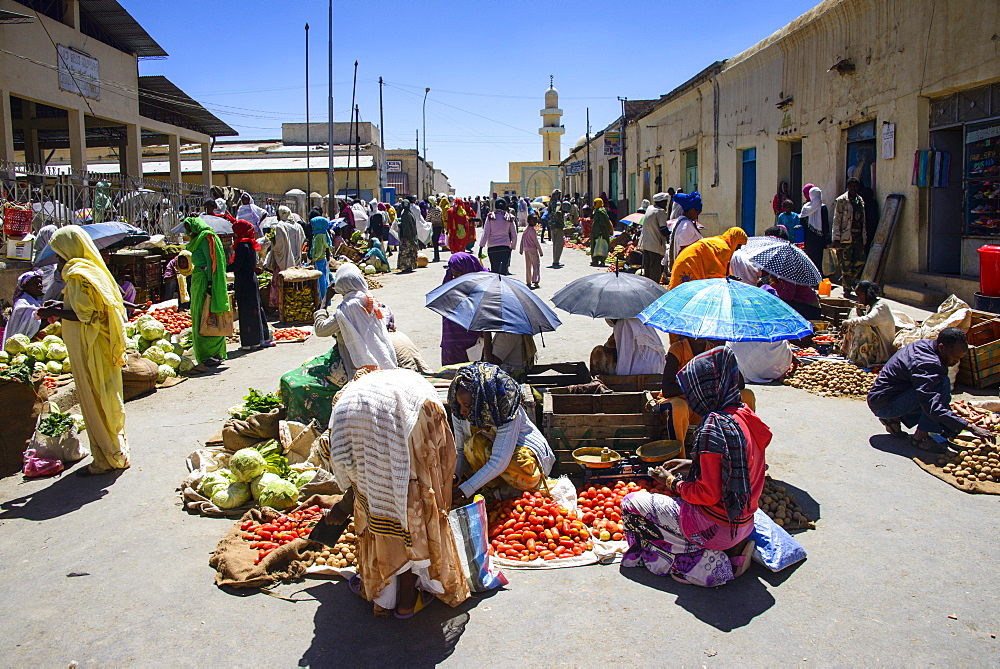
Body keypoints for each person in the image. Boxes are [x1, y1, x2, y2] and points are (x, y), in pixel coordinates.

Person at [326, 369, 470, 618]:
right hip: (414, 427)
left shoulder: (346, 404)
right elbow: (443, 449)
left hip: (385, 428)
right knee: (410, 512)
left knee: (382, 509)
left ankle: (386, 593)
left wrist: (348, 498)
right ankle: (407, 600)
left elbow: (342, 459)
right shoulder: (404, 383)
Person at [621, 346, 770, 587]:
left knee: (630, 504)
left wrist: (671, 482)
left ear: (706, 389)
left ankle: (701, 560)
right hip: (744, 521)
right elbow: (735, 464)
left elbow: (707, 494)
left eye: (692, 390)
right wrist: (693, 463)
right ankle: (735, 552)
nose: (690, 398)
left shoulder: (714, 427)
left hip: (715, 528)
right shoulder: (744, 415)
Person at [35, 226, 130, 475]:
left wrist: (51, 313)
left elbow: (83, 314)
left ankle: (107, 455)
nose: (58, 258)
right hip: (98, 345)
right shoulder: (92, 269)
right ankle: (115, 448)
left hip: (90, 348)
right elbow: (91, 305)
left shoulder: (77, 274)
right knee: (106, 395)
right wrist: (60, 304)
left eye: (59, 253)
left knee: (94, 397)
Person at [868, 328, 993, 452]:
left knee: (935, 392)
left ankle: (893, 419)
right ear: (941, 347)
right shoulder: (927, 363)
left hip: (886, 397)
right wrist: (970, 427)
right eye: (955, 357)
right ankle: (919, 439)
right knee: (942, 384)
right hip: (884, 405)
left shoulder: (925, 345)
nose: (956, 362)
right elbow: (932, 406)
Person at [448, 362, 555, 499]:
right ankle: (493, 489)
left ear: (482, 402)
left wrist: (464, 490)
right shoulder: (460, 411)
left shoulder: (505, 412)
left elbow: (499, 460)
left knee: (518, 463)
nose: (462, 410)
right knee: (471, 447)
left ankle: (518, 491)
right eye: (459, 404)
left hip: (523, 457)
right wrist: (455, 475)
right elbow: (460, 449)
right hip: (494, 454)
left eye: (467, 405)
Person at [657, 336, 757, 441]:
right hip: (683, 404)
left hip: (706, 406)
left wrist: (727, 357)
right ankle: (679, 454)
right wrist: (700, 386)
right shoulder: (677, 348)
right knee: (679, 406)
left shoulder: (714, 350)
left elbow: (740, 385)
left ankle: (748, 445)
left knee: (747, 394)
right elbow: (667, 390)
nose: (698, 335)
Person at [314, 263, 397, 376]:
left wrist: (324, 302)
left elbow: (321, 330)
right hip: (383, 358)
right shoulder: (369, 299)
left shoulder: (348, 308)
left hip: (358, 365)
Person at [183, 217, 230, 369]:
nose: (188, 232)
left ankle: (211, 354)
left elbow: (212, 263)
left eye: (189, 228)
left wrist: (210, 284)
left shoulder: (205, 239)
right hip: (197, 280)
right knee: (198, 314)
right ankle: (208, 354)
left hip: (204, 282)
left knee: (205, 314)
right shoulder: (196, 240)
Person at [228, 219, 272, 351]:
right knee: (254, 309)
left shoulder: (242, 246)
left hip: (244, 281)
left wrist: (221, 267)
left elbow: (237, 266)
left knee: (246, 311)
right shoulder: (249, 244)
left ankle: (249, 341)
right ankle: (257, 339)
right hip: (250, 280)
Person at [440, 253, 487, 366]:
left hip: (473, 342)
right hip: (451, 341)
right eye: (453, 274)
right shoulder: (448, 284)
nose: (455, 278)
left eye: (459, 274)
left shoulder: (483, 285)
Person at [668, 227, 748, 290]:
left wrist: (729, 276)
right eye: (739, 245)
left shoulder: (719, 242)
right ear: (735, 240)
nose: (738, 248)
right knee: (686, 295)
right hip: (689, 265)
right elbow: (716, 273)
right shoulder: (724, 248)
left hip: (685, 262)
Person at [840, 280, 897, 367]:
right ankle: (847, 352)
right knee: (855, 312)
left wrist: (847, 322)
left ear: (867, 294)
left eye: (860, 296)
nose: (859, 299)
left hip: (882, 352)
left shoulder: (880, 307)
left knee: (862, 328)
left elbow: (869, 320)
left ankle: (860, 361)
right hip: (875, 345)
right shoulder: (870, 306)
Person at [589, 318, 665, 376]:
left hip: (643, 367)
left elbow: (625, 354)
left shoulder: (623, 323)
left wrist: (620, 377)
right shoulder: (640, 319)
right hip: (657, 363)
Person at [265, 206, 306, 307]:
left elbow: (278, 245)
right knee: (293, 282)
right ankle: (293, 303)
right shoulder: (297, 226)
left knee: (280, 282)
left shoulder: (280, 226)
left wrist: (272, 243)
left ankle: (279, 305)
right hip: (296, 259)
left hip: (283, 260)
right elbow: (303, 239)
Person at [833, 177, 868, 297]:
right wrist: (836, 238)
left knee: (860, 261)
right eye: (851, 186)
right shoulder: (842, 200)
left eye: (855, 186)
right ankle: (847, 288)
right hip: (845, 236)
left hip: (858, 236)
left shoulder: (860, 200)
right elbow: (837, 220)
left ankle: (848, 280)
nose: (853, 188)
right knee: (845, 263)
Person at [3, 269, 45, 347]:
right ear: (25, 286)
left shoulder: (39, 301)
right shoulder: (22, 304)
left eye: (40, 282)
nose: (39, 285)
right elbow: (23, 326)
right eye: (35, 283)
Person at [666, 191, 705, 273]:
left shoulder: (682, 222)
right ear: (692, 210)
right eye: (697, 213)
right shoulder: (686, 226)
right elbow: (686, 250)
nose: (697, 216)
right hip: (686, 268)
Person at [479, 199, 517, 276]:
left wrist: (481, 248)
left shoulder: (490, 217)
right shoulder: (509, 217)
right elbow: (514, 235)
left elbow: (485, 233)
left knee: (494, 270)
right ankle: (502, 286)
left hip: (492, 247)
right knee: (503, 271)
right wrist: (512, 246)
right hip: (505, 247)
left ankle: (495, 287)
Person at [799, 184, 830, 277]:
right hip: (820, 238)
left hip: (809, 238)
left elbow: (802, 223)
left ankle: (811, 278)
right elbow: (825, 224)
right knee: (819, 259)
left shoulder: (805, 208)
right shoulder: (823, 207)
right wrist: (827, 239)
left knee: (811, 258)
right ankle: (819, 277)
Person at [639, 193, 671, 281]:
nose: (666, 205)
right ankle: (654, 287)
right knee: (655, 269)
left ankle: (647, 286)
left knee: (648, 268)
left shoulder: (649, 209)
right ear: (662, 202)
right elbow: (663, 229)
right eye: (665, 203)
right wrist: (672, 232)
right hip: (655, 244)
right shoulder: (660, 212)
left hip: (646, 243)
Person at [310, 215, 333, 297]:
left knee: (321, 281)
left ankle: (322, 298)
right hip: (322, 259)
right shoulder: (323, 234)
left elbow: (318, 250)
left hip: (319, 260)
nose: (312, 227)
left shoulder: (319, 236)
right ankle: (326, 298)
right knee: (324, 278)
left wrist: (314, 259)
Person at [519, 214, 542, 288]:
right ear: (529, 221)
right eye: (534, 220)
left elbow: (522, 240)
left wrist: (521, 249)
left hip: (526, 249)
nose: (535, 221)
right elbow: (536, 242)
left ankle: (528, 281)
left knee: (528, 265)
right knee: (536, 265)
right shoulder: (532, 231)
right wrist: (540, 251)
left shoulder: (526, 229)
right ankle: (535, 280)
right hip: (533, 250)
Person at [396, 200, 419, 273]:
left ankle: (406, 266)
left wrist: (408, 237)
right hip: (410, 236)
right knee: (410, 252)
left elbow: (407, 228)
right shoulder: (409, 213)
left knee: (406, 253)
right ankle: (409, 266)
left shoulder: (405, 214)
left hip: (406, 237)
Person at [590, 197, 613, 266]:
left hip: (599, 232)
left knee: (599, 246)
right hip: (597, 231)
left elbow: (602, 223)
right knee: (598, 246)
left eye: (595, 203)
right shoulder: (598, 210)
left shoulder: (600, 211)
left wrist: (601, 231)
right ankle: (596, 260)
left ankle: (599, 260)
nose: (594, 204)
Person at [427, 196, 444, 263]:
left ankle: (436, 257)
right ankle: (437, 257)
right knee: (436, 241)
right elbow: (441, 218)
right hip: (439, 226)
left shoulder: (431, 210)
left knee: (435, 242)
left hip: (433, 227)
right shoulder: (439, 209)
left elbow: (428, 219)